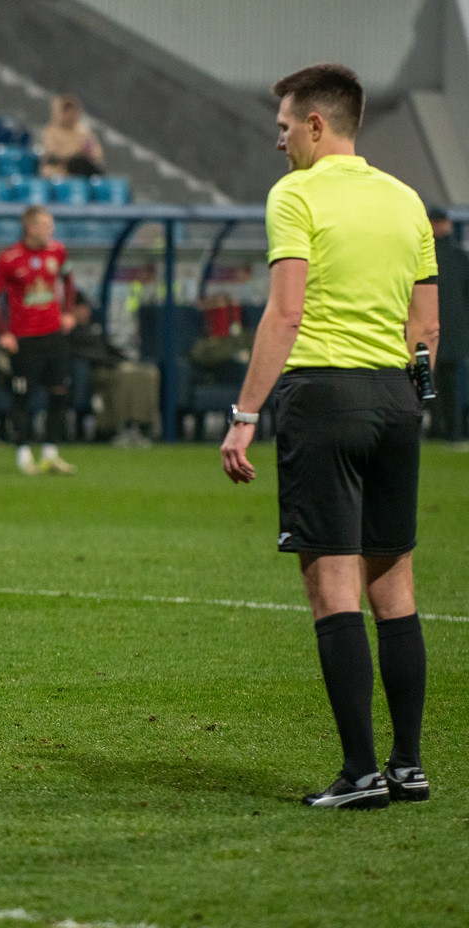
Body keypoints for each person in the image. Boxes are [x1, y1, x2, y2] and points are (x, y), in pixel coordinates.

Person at [220, 64, 438, 809]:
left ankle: (360, 774)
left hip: (323, 397)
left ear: (316, 124)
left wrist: (245, 414)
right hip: (395, 399)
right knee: (395, 588)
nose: (279, 141)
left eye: (284, 127)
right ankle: (408, 766)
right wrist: (405, 393)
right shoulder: (406, 199)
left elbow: (286, 313)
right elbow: (427, 326)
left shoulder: (297, 195)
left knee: (332, 588)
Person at [0, 204, 78, 474]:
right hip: (25, 340)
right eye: (46, 225)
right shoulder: (9, 258)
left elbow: (69, 281)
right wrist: (4, 332)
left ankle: (50, 453)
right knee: (23, 397)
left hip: (54, 336)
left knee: (59, 393)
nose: (51, 230)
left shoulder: (58, 251)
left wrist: (68, 312)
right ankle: (23, 454)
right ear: (30, 228)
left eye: (51, 225)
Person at [66, 293, 158, 445]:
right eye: (80, 308)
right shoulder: (69, 331)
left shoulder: (94, 328)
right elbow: (80, 354)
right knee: (124, 375)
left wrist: (123, 360)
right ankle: (122, 427)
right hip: (95, 371)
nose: (85, 312)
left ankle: (142, 424)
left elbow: (108, 348)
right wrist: (112, 362)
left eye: (86, 308)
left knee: (148, 373)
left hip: (112, 366)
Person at [426, 207, 468, 444]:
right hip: (449, 330)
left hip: (436, 328)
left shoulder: (426, 254)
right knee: (442, 380)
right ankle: (446, 428)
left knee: (433, 379)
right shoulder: (458, 256)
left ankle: (444, 427)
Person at [39, 94, 104, 179]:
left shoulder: (84, 131)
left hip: (83, 169)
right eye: (67, 111)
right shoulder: (50, 132)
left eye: (73, 111)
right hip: (59, 171)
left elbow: (97, 153)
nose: (71, 115)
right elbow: (54, 153)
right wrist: (76, 152)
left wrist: (89, 153)